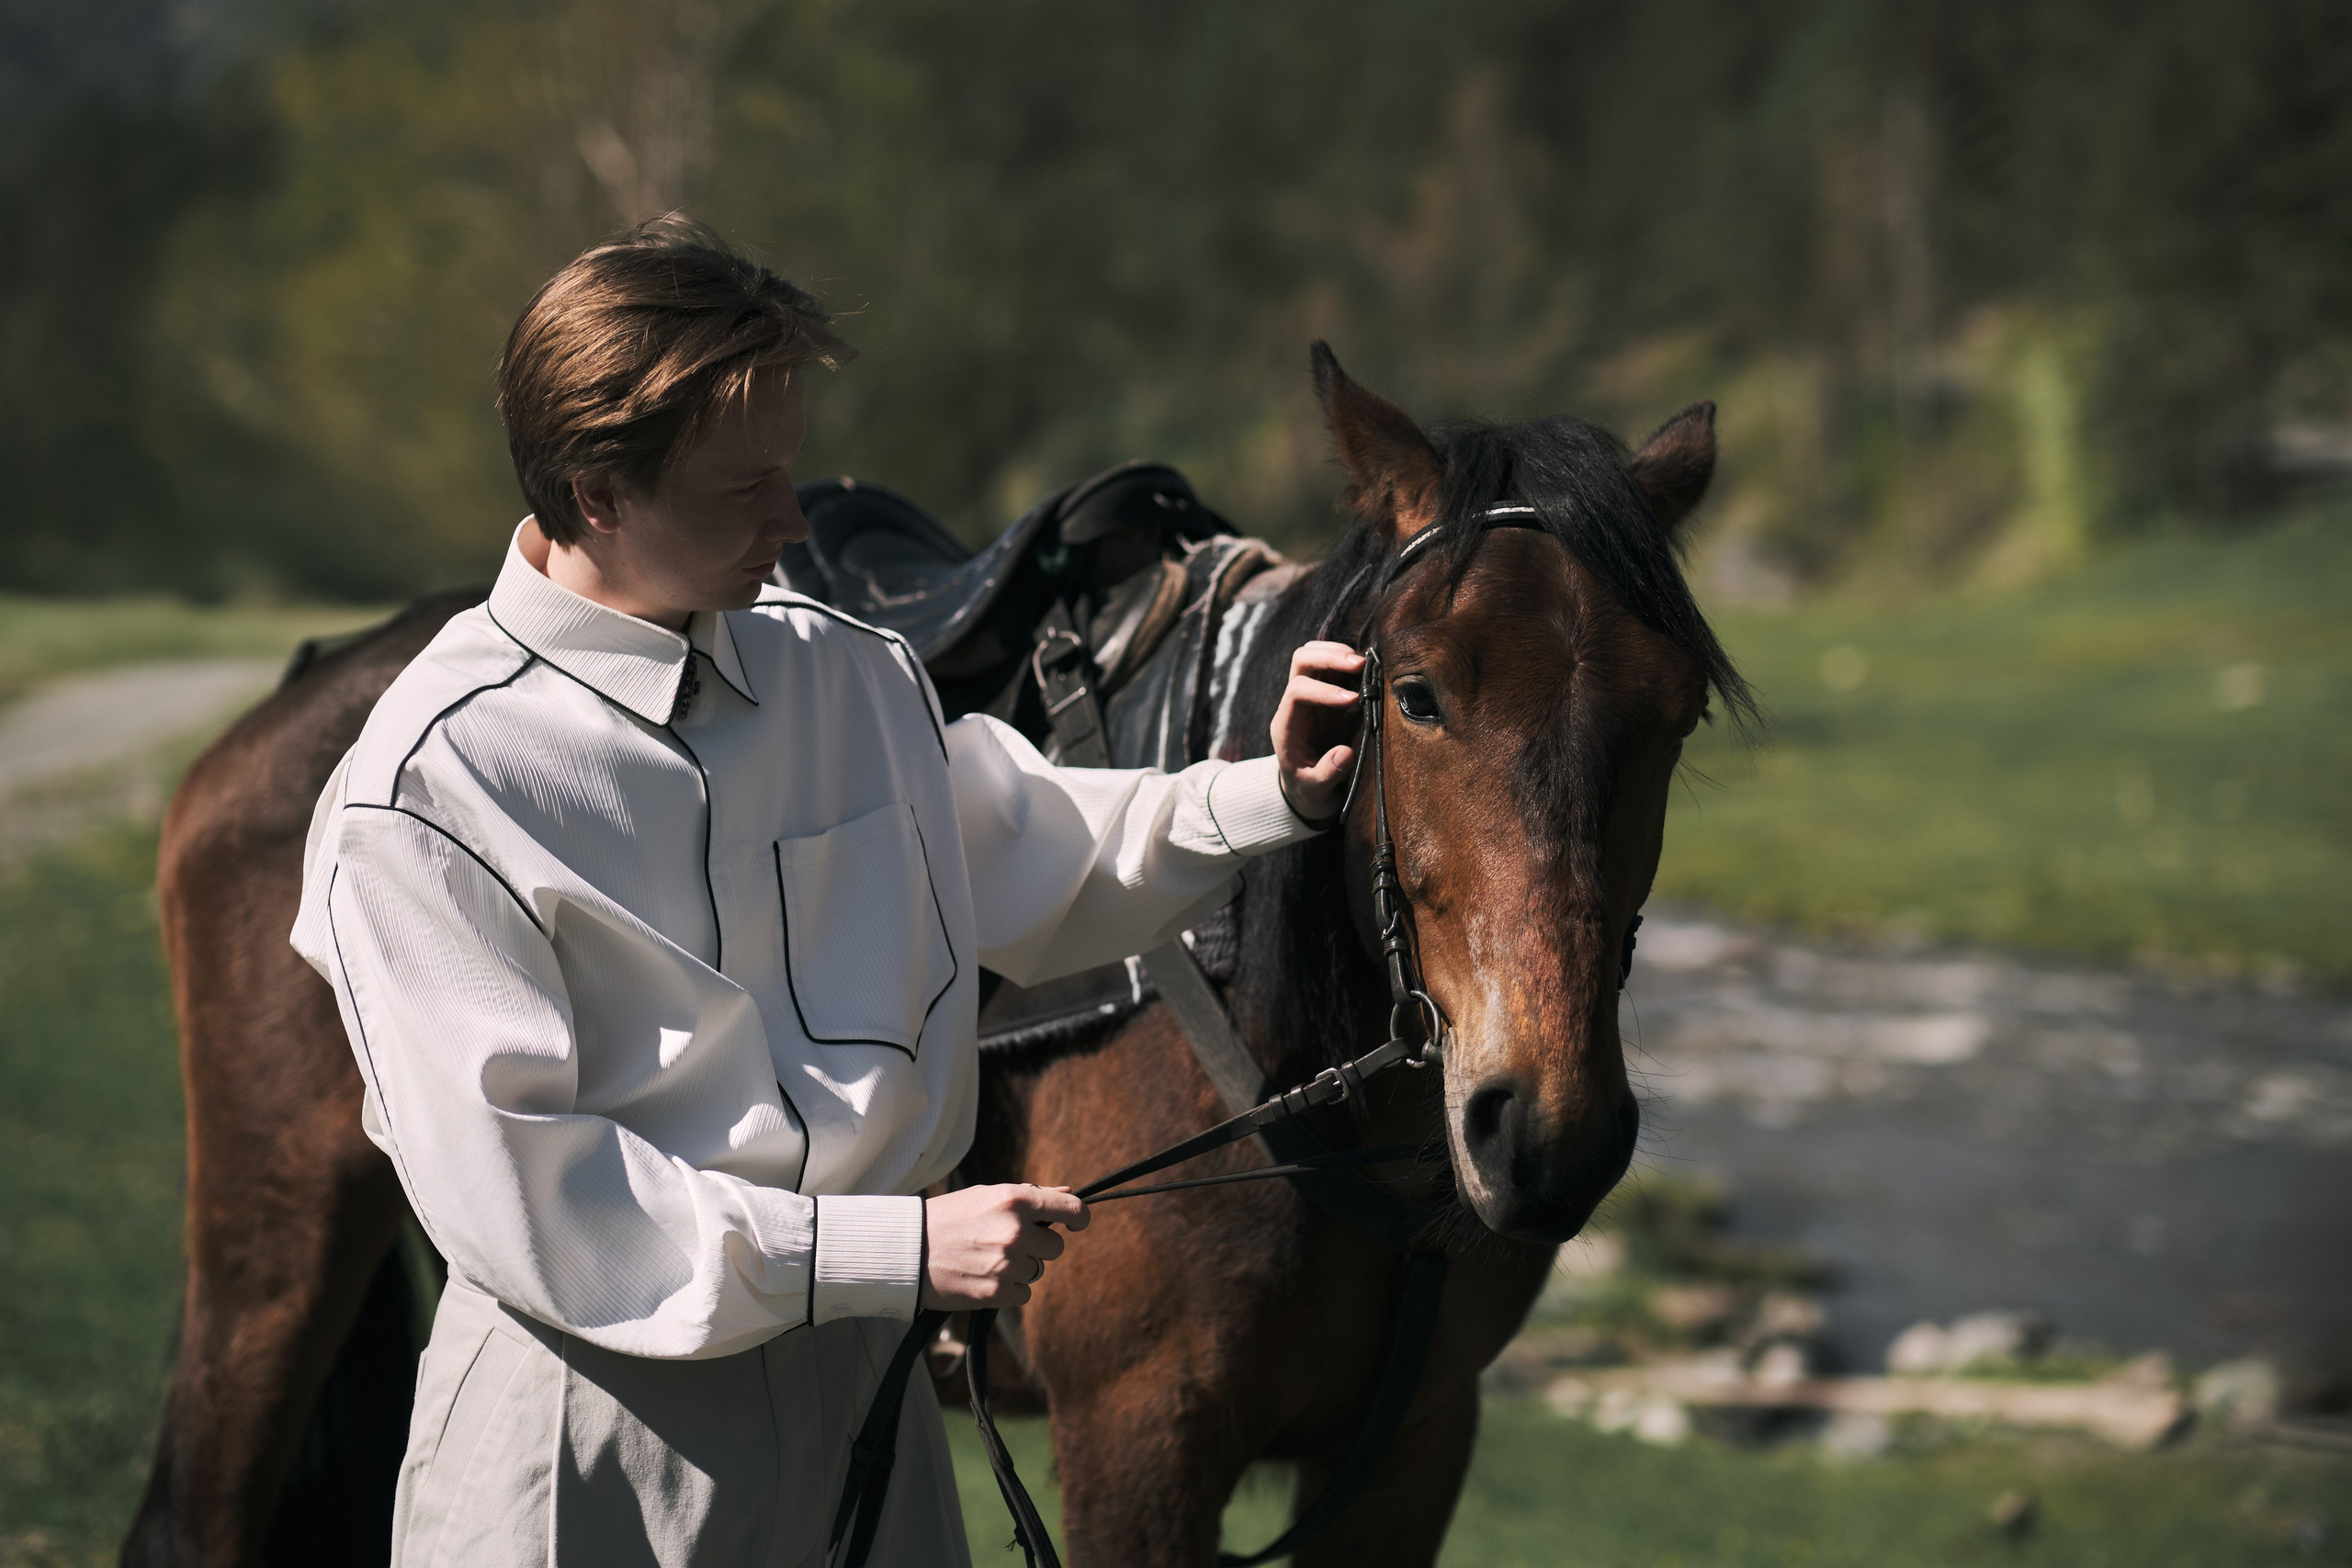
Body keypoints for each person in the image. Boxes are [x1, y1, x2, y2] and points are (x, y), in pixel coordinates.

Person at [288, 217, 1365, 1567]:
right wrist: (894, 1254)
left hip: (871, 1433)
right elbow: (547, 1203)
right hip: (592, 1455)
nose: (796, 524)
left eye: (788, 473)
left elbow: (1053, 855)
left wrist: (1279, 794)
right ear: (595, 491)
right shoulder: (427, 796)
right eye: (747, 490)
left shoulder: (850, 676)